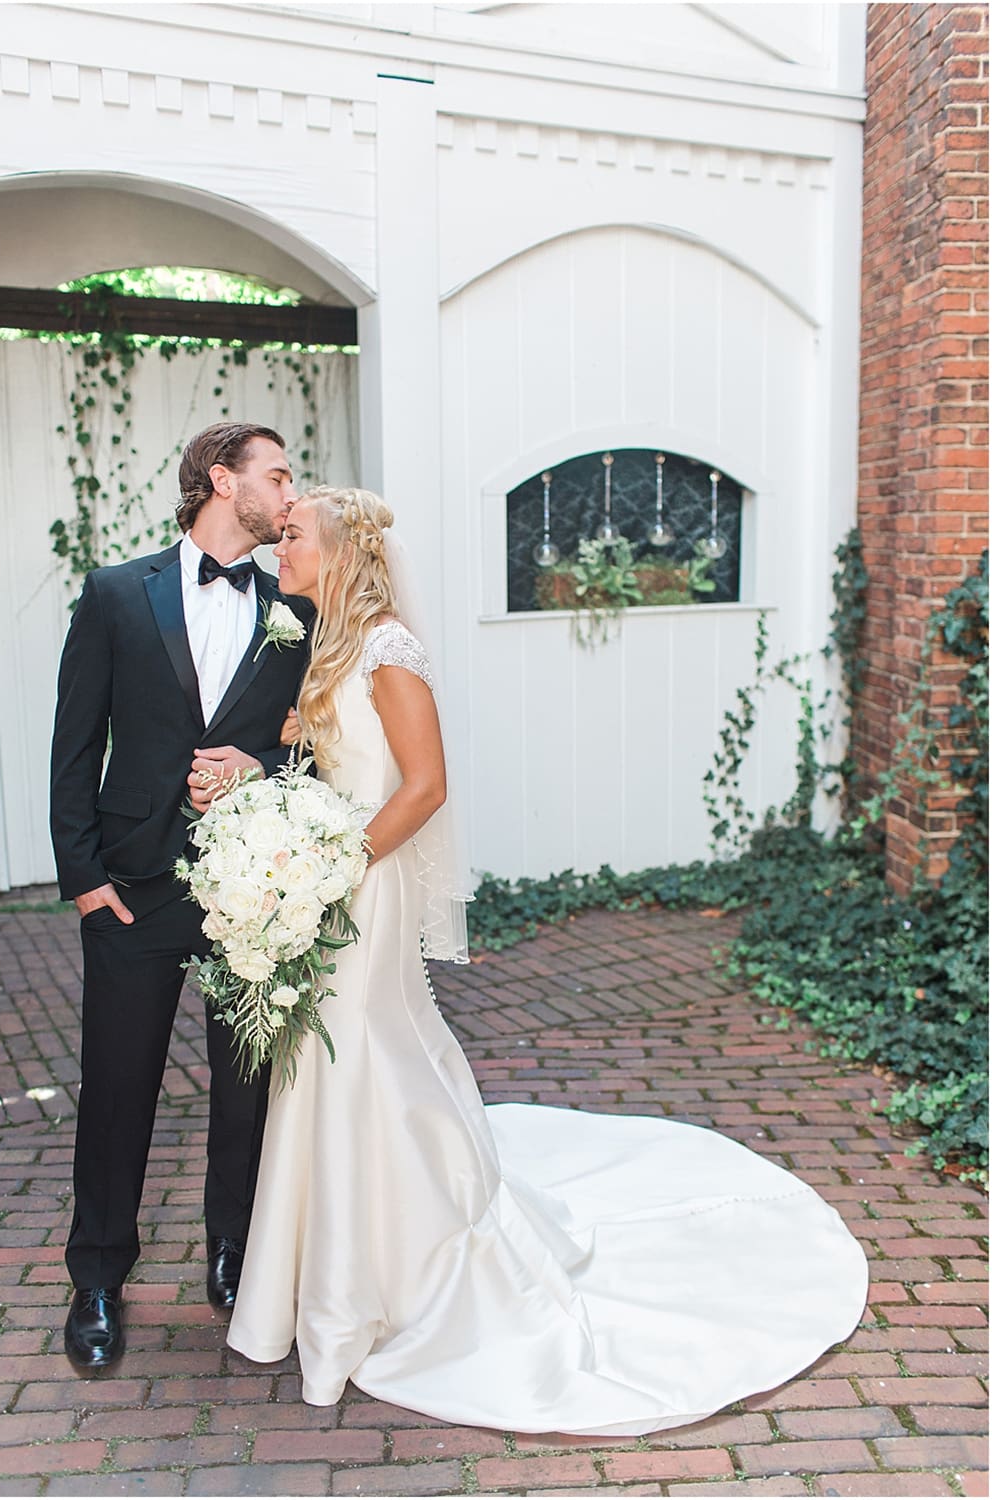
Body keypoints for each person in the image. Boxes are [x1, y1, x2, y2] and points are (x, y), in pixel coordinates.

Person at [223, 485, 869, 1432]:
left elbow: (427, 785)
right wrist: (272, 791)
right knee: (325, 1060)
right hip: (329, 880)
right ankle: (327, 1266)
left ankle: (393, 1268)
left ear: (341, 553)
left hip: (367, 883)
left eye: (293, 537)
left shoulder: (390, 650)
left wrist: (337, 860)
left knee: (358, 1050)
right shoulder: (326, 647)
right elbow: (335, 766)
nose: (281, 549)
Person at [46, 421, 308, 1371]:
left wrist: (261, 764)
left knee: (247, 1092)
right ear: (218, 478)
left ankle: (235, 1256)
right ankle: (99, 1278)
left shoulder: (297, 609)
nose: (290, 491)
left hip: (253, 889)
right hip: (134, 885)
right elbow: (75, 741)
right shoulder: (119, 593)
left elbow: (315, 749)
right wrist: (83, 880)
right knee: (120, 1088)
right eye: (277, 474)